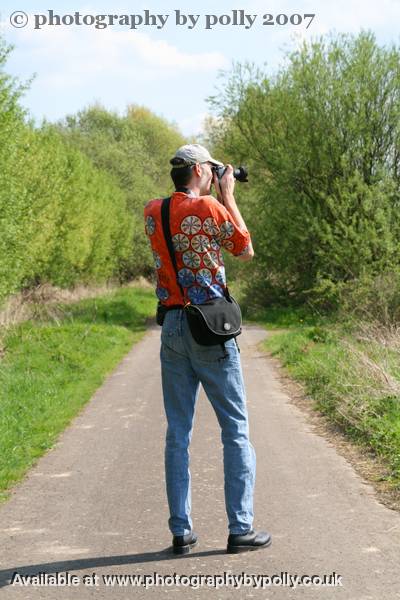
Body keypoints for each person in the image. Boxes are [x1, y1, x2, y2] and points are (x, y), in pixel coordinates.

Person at [144, 144, 271, 555]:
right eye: (211, 171)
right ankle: (240, 529)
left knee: (177, 432)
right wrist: (228, 195)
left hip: (173, 326)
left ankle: (180, 531)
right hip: (210, 329)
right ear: (199, 170)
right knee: (235, 429)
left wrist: (214, 190)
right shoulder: (211, 210)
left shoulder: (153, 212)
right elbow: (245, 249)